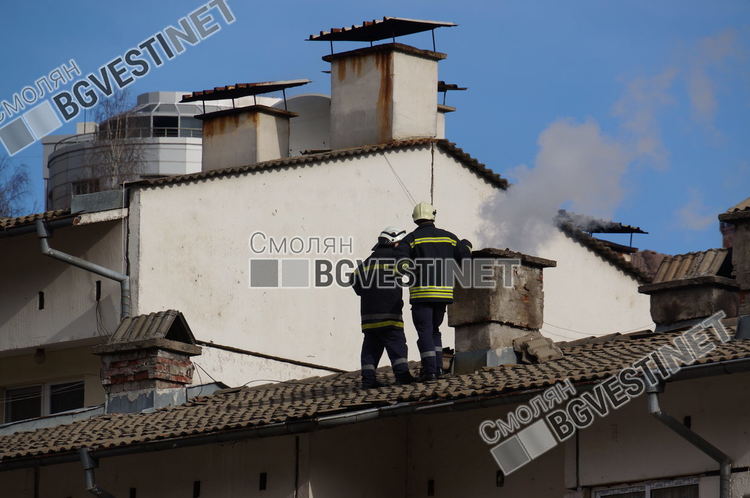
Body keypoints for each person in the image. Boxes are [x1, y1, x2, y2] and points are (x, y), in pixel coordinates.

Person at [400, 202, 472, 382]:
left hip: (421, 295)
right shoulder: (450, 238)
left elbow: (401, 263)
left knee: (425, 332)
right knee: (434, 331)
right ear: (433, 216)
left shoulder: (411, 239)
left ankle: (430, 371)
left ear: (415, 218)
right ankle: (438, 368)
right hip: (443, 295)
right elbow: (466, 260)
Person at [351, 226, 415, 389]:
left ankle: (368, 380)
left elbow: (354, 280)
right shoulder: (396, 259)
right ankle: (402, 376)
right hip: (390, 315)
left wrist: (367, 292)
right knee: (397, 345)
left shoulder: (367, 262)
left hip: (368, 318)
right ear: (394, 242)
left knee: (371, 348)